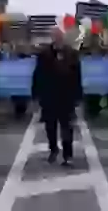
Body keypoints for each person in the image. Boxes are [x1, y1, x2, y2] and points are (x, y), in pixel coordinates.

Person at [32, 27, 82, 166]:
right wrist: (36, 95)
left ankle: (68, 155)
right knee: (50, 126)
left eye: (59, 36)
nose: (58, 38)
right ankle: (53, 149)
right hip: (49, 97)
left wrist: (78, 96)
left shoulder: (72, 54)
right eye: (55, 36)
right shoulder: (44, 54)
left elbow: (77, 76)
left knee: (67, 127)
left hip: (66, 97)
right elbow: (38, 76)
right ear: (52, 37)